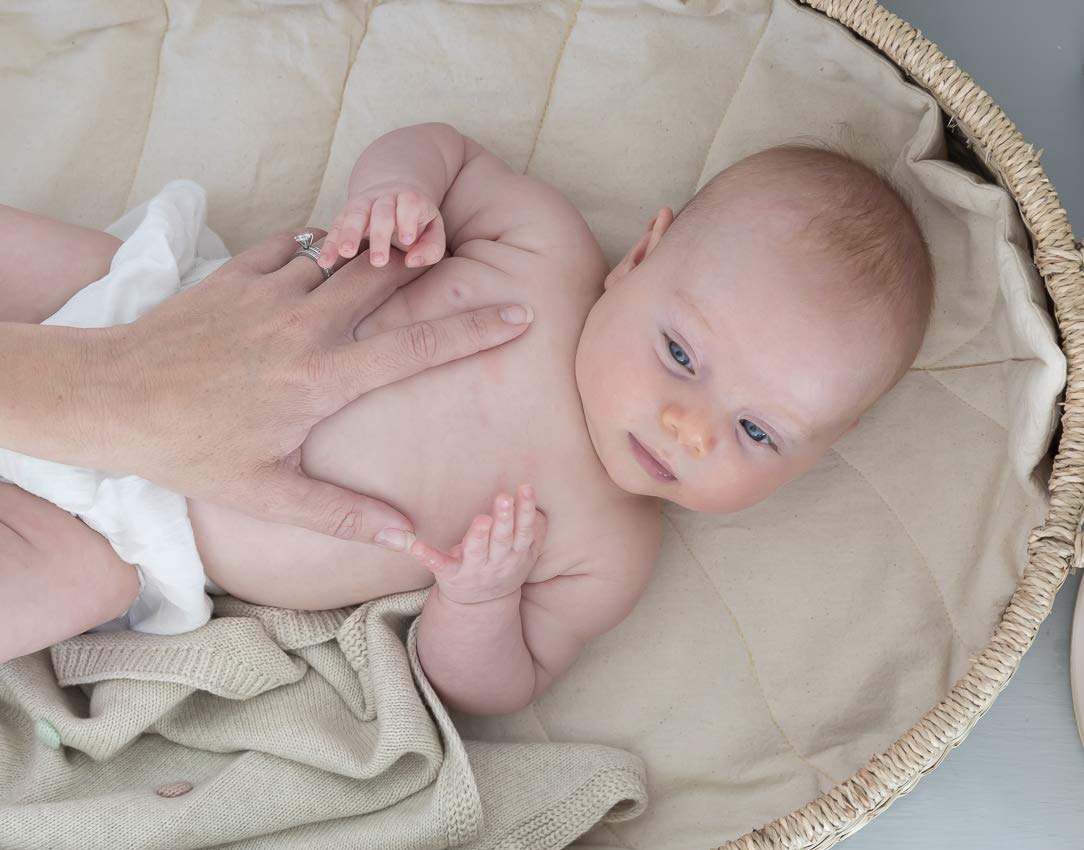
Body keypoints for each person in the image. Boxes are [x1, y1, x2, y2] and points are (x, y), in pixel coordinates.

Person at [1, 121, 935, 718]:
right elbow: (444, 152)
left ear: (812, 460)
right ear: (639, 256)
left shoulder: (609, 551)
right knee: (48, 260)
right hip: (163, 312)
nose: (690, 427)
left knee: (52, 590)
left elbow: (497, 684)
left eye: (758, 433)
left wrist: (478, 606)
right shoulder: (545, 248)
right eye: (682, 356)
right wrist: (390, 192)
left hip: (135, 527)